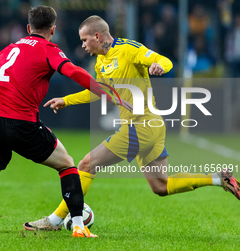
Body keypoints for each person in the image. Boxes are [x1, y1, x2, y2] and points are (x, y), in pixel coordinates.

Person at [24, 15, 240, 231]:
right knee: (161, 186)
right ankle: (218, 178)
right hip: (149, 127)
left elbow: (165, 61)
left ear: (97, 36)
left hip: (142, 126)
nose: (83, 45)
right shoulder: (101, 61)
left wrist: (159, 67)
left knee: (86, 165)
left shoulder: (129, 49)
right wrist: (66, 100)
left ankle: (54, 221)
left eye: (84, 40)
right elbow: (99, 91)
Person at [0, 7, 130, 238]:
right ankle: (78, 225)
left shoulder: (9, 49)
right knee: (67, 165)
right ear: (53, 30)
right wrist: (103, 90)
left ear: (28, 28)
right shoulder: (50, 50)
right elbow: (73, 71)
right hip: (21, 123)